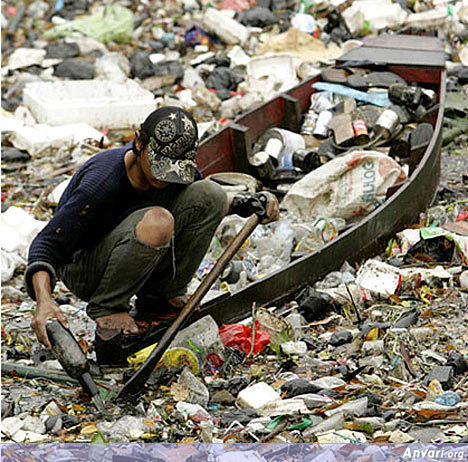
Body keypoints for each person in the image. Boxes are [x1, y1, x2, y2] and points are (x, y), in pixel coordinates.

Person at [27, 106, 280, 350]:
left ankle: (162, 296)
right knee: (159, 221)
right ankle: (108, 307)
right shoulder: (101, 182)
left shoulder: (174, 173)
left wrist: (246, 203)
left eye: (174, 168)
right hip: (87, 268)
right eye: (160, 164)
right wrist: (44, 300)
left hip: (136, 255)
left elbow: (203, 204)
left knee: (211, 192)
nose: (165, 176)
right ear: (139, 142)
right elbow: (46, 246)